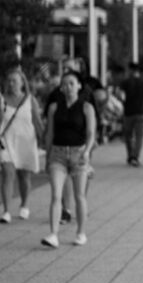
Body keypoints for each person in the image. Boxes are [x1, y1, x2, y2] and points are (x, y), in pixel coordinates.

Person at [42, 68, 96, 248]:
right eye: (64, 84)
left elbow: (90, 134)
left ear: (79, 86)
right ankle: (53, 234)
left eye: (72, 83)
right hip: (57, 155)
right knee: (56, 195)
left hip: (79, 154)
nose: (68, 87)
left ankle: (81, 232)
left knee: (79, 195)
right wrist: (47, 155)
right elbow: (49, 133)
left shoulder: (87, 108)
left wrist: (87, 152)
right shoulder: (54, 108)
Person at [0, 67, 43, 223]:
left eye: (14, 80)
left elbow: (37, 123)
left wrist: (46, 140)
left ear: (22, 83)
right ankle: (6, 211)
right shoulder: (1, 100)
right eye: (9, 80)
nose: (11, 83)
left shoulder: (30, 100)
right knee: (7, 174)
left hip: (26, 142)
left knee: (24, 177)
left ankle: (24, 205)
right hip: (6, 141)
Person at [119, 62, 143, 166]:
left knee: (128, 136)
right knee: (139, 136)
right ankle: (135, 157)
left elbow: (120, 95)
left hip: (128, 112)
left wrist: (124, 103)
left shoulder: (125, 82)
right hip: (141, 111)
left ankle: (130, 155)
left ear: (130, 70)